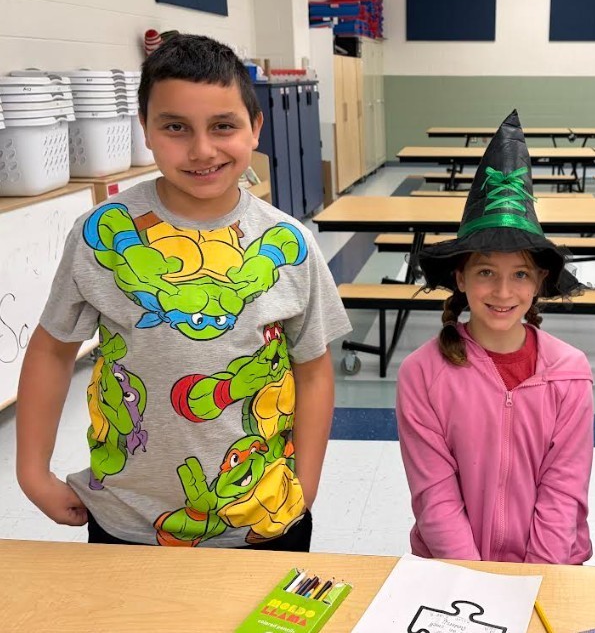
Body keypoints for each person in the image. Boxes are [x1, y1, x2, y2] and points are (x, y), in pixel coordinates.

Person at [15, 34, 351, 550]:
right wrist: (32, 473)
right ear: (146, 130)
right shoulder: (99, 233)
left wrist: (306, 484)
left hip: (263, 518)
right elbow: (52, 350)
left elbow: (313, 369)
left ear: (255, 128)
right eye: (175, 127)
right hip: (126, 516)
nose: (201, 150)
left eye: (223, 126)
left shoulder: (291, 244)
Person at [396, 110, 594, 564]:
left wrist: (535, 577)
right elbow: (435, 494)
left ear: (540, 280)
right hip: (455, 565)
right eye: (486, 272)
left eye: (520, 274)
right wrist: (473, 577)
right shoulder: (422, 373)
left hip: (552, 564)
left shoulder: (569, 371)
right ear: (461, 277)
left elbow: (563, 488)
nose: (503, 292)